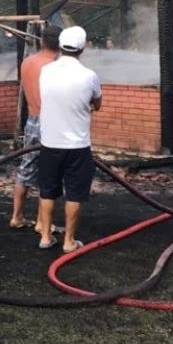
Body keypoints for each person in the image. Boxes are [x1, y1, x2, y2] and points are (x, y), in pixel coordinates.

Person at [36, 25, 102, 253]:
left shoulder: (46, 71)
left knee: (47, 190)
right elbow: (98, 104)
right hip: (77, 146)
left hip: (49, 143)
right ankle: (69, 242)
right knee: (74, 193)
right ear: (82, 49)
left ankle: (45, 237)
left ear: (60, 46)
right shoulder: (89, 76)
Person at [9, 24, 60, 229]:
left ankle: (16, 217)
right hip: (50, 123)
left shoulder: (27, 62)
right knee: (48, 174)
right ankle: (41, 223)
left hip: (32, 121)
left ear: (42, 41)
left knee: (26, 169)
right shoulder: (54, 68)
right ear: (61, 45)